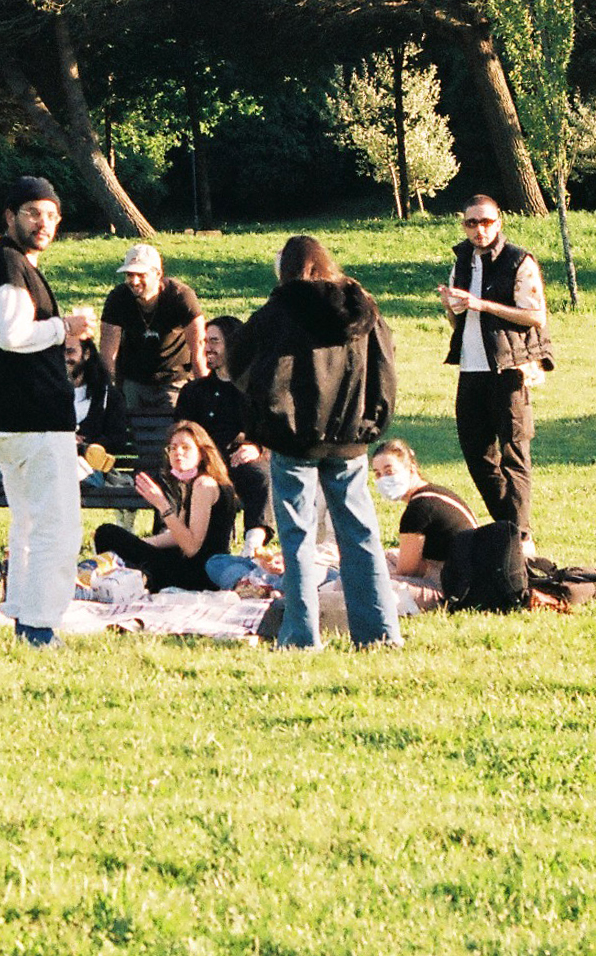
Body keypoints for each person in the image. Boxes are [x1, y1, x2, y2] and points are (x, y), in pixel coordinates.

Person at [230, 235, 401, 650]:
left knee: (297, 540)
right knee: (361, 536)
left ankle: (301, 636)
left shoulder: (279, 311)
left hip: (294, 442)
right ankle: (379, 632)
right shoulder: (365, 307)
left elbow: (248, 369)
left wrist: (269, 425)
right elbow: (385, 369)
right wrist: (371, 422)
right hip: (351, 439)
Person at [0, 175, 95, 648]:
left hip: (14, 418)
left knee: (27, 521)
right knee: (58, 525)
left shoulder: (15, 264)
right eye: (32, 213)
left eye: (51, 215)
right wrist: (66, 326)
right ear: (9, 217)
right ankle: (40, 627)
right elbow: (11, 335)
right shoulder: (6, 264)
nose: (43, 222)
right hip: (31, 420)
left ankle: (23, 613)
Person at [439, 194, 553, 550]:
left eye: (486, 221)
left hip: (508, 369)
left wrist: (482, 304)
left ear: (499, 222)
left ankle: (520, 538)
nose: (479, 229)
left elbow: (535, 315)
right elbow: (459, 319)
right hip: (471, 370)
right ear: (464, 225)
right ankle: (511, 529)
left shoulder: (519, 261)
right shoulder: (461, 261)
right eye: (472, 222)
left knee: (514, 453)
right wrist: (452, 307)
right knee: (477, 453)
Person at [91, 421, 247, 593]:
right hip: (190, 565)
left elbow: (191, 548)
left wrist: (162, 505)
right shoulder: (193, 483)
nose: (178, 453)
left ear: (202, 453)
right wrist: (138, 544)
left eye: (185, 447)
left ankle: (134, 580)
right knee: (117, 539)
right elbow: (177, 536)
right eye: (173, 448)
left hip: (198, 574)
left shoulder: (204, 484)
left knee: (106, 533)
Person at [174, 316, 272, 552]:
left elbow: (269, 426)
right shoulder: (194, 391)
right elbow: (180, 432)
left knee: (260, 477)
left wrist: (257, 447)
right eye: (205, 342)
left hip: (236, 461)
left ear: (233, 344)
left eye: (214, 341)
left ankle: (252, 547)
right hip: (201, 463)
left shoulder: (253, 389)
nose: (207, 348)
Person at [367, 439, 480, 610]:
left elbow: (407, 571)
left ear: (411, 469)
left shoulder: (418, 510)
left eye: (389, 471)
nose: (383, 479)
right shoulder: (435, 493)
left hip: (448, 590)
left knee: (364, 585)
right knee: (383, 557)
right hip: (466, 574)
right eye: (377, 474)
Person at [98, 243, 204, 415]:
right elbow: (107, 352)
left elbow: (199, 349)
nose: (134, 281)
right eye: (129, 275)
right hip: (133, 379)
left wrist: (205, 393)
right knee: (133, 432)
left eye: (141, 275)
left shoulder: (181, 297)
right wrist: (108, 393)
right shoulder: (118, 298)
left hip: (174, 379)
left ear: (158, 274)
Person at [65, 331, 124, 463]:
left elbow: (117, 438)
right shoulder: (47, 394)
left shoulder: (108, 395)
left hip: (93, 470)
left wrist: (86, 445)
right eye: (59, 353)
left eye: (70, 352)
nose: (64, 358)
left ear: (86, 354)